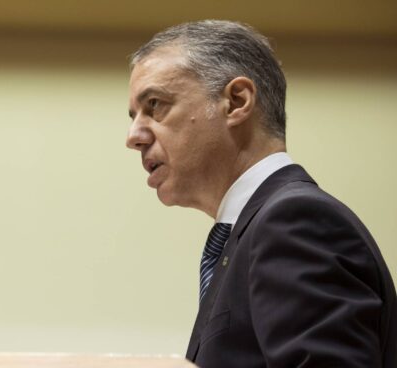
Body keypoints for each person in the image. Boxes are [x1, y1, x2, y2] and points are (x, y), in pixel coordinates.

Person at [126, 20, 396, 367]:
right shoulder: (251, 234)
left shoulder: (295, 223)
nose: (133, 136)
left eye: (155, 105)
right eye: (134, 117)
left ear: (236, 101)